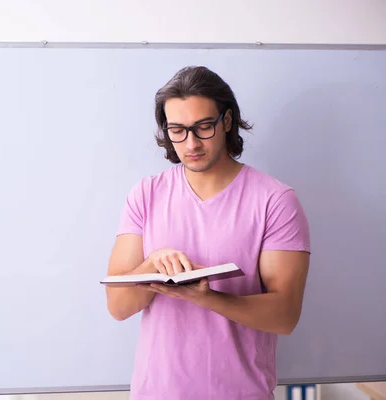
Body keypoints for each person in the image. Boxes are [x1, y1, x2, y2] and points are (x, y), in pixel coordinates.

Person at [105, 66, 311, 400]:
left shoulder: (274, 200)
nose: (191, 143)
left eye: (203, 127)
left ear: (227, 121)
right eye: (178, 130)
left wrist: (208, 297)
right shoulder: (146, 194)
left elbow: (285, 316)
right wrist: (151, 267)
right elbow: (118, 306)